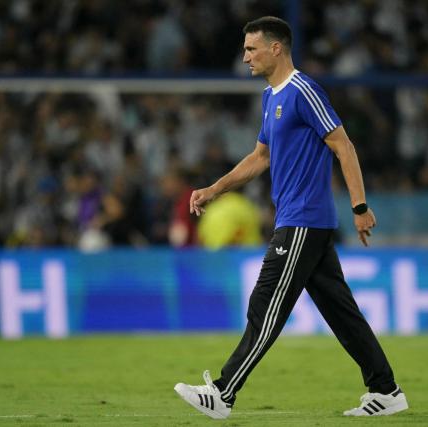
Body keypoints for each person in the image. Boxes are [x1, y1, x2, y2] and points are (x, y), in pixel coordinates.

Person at [174, 17, 407, 419]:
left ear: (276, 48)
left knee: (266, 304)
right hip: (300, 220)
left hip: (303, 220)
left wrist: (360, 206)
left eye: (251, 49)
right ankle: (386, 390)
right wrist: (214, 189)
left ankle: (223, 393)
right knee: (341, 312)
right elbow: (260, 157)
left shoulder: (303, 91)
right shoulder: (270, 97)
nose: (245, 56)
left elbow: (343, 145)